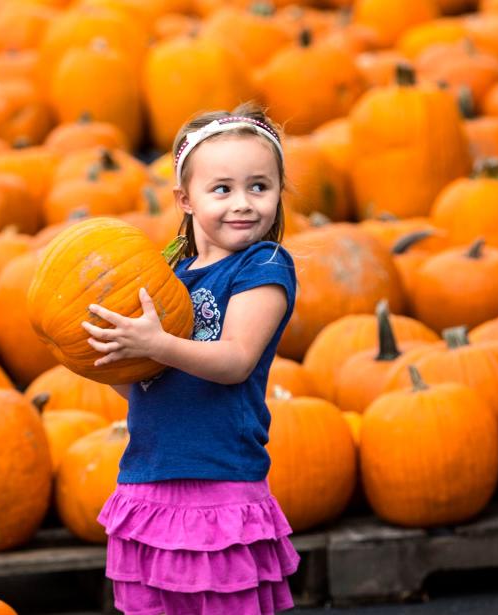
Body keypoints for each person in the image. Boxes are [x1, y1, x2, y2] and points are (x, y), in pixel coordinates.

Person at [81, 102, 301, 614]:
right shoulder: (169, 279)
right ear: (185, 198)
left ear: (277, 194)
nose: (243, 203)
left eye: (259, 187)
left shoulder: (263, 265)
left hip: (219, 486)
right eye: (222, 189)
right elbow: (149, 384)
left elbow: (235, 359)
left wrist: (156, 345)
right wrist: (109, 357)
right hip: (146, 483)